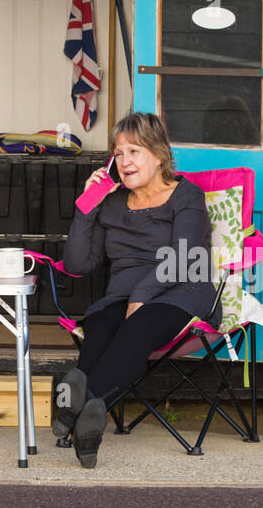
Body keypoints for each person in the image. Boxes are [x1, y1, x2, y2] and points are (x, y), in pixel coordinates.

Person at [57, 112, 216, 469]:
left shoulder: (186, 196)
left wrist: (142, 295)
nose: (124, 161)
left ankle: (79, 404)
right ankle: (91, 413)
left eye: (134, 151)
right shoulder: (110, 203)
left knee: (138, 326)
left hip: (182, 292)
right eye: (119, 153)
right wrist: (87, 207)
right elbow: (78, 264)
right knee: (98, 325)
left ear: (158, 155)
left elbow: (185, 257)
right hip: (123, 298)